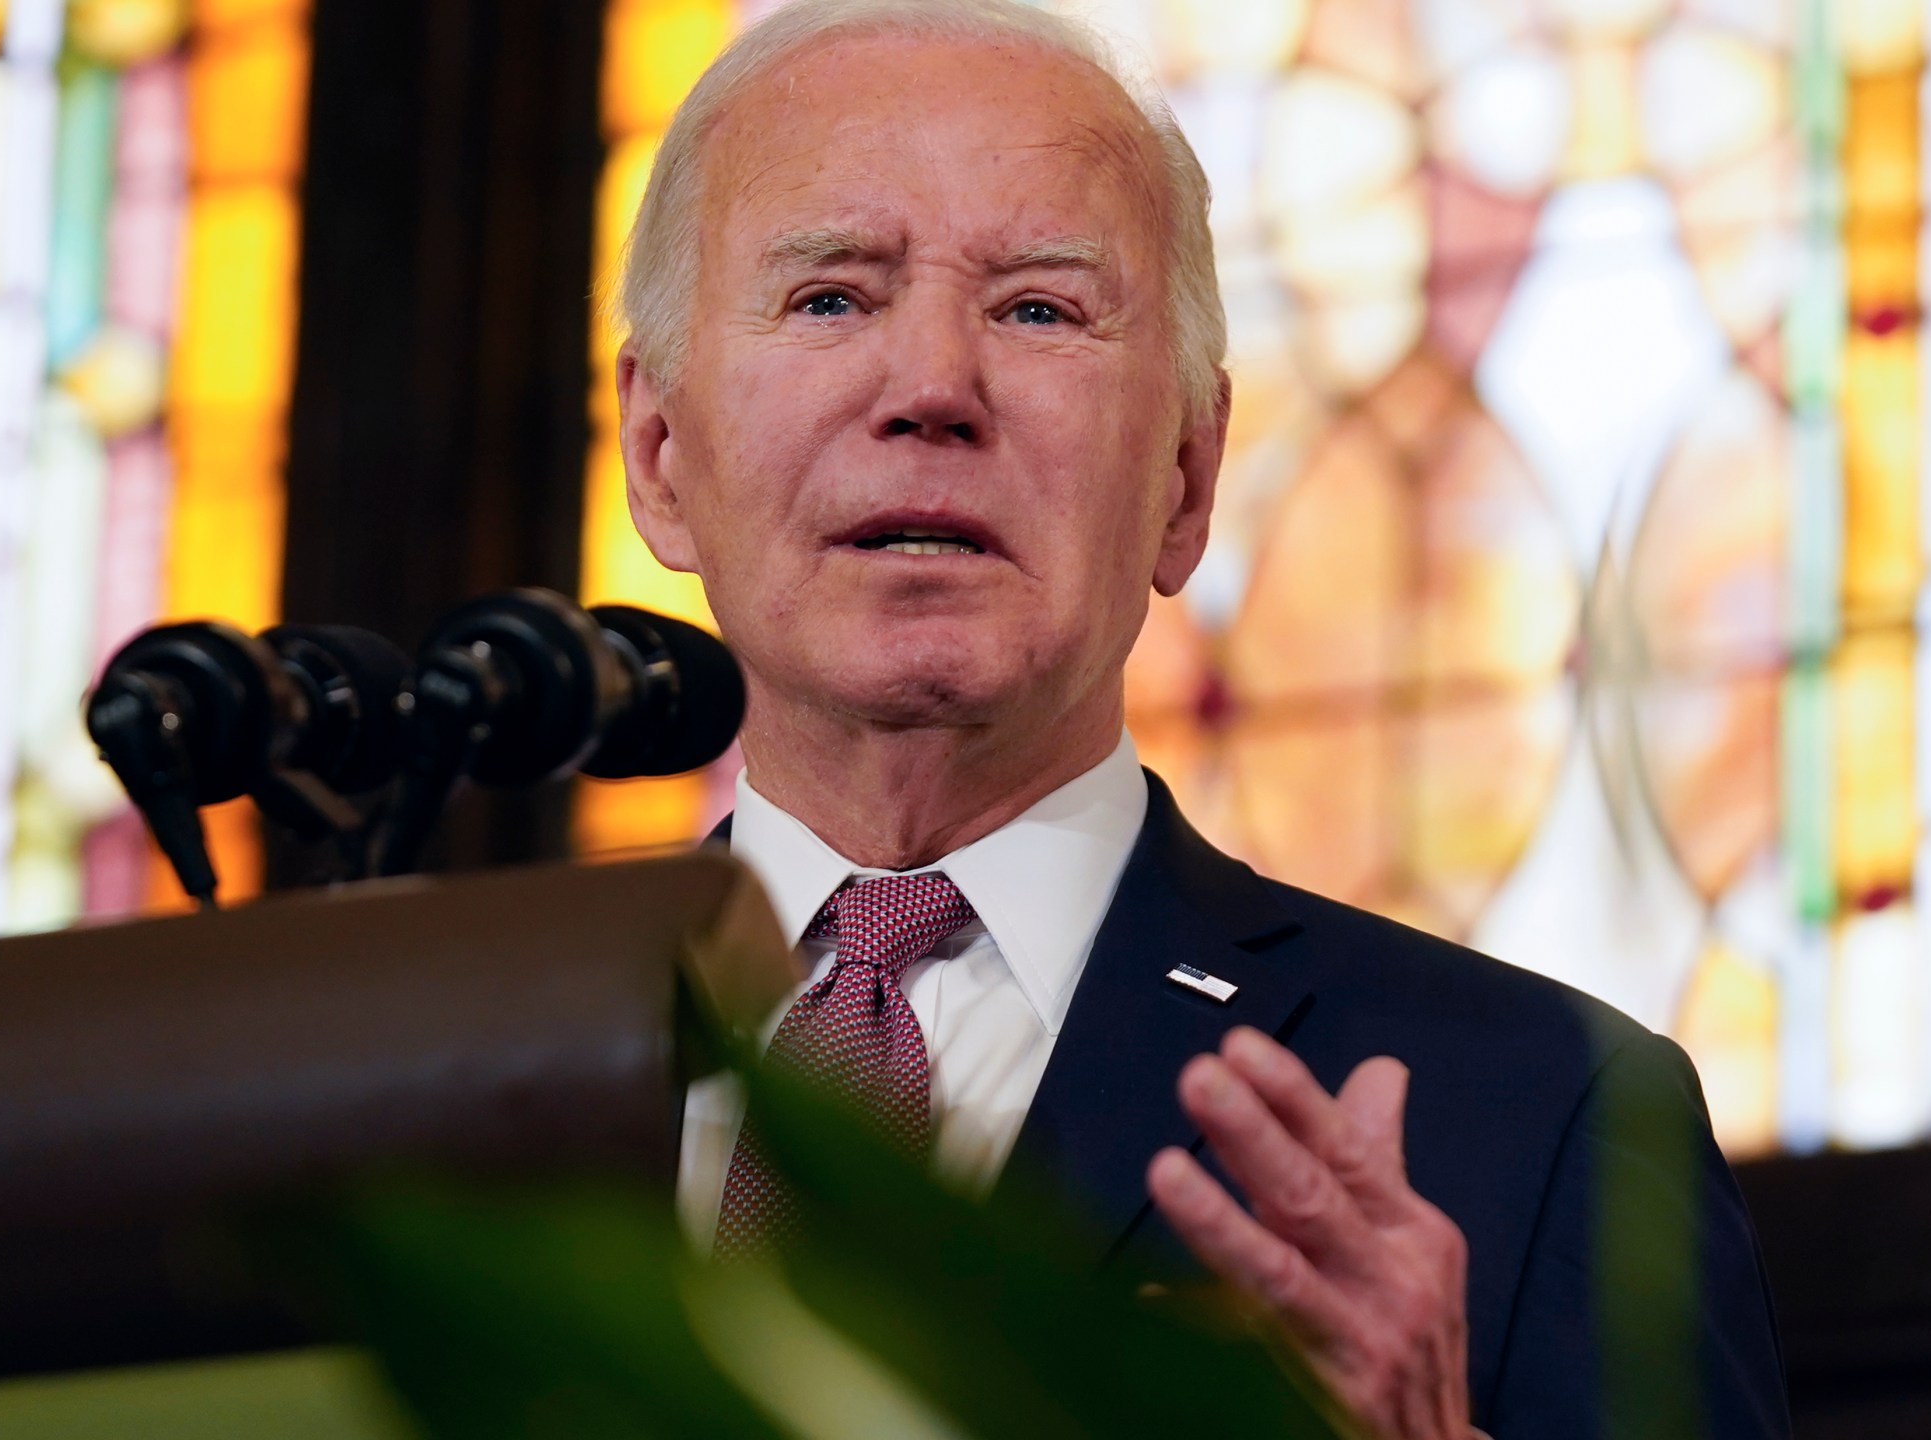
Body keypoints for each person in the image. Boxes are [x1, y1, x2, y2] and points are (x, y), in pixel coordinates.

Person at [611, 1, 1787, 1434]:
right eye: (829, 299)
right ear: (659, 456)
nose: (930, 389)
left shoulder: (1542, 1122)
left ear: (1185, 477)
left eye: (1038, 309)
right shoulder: (445, 1080)